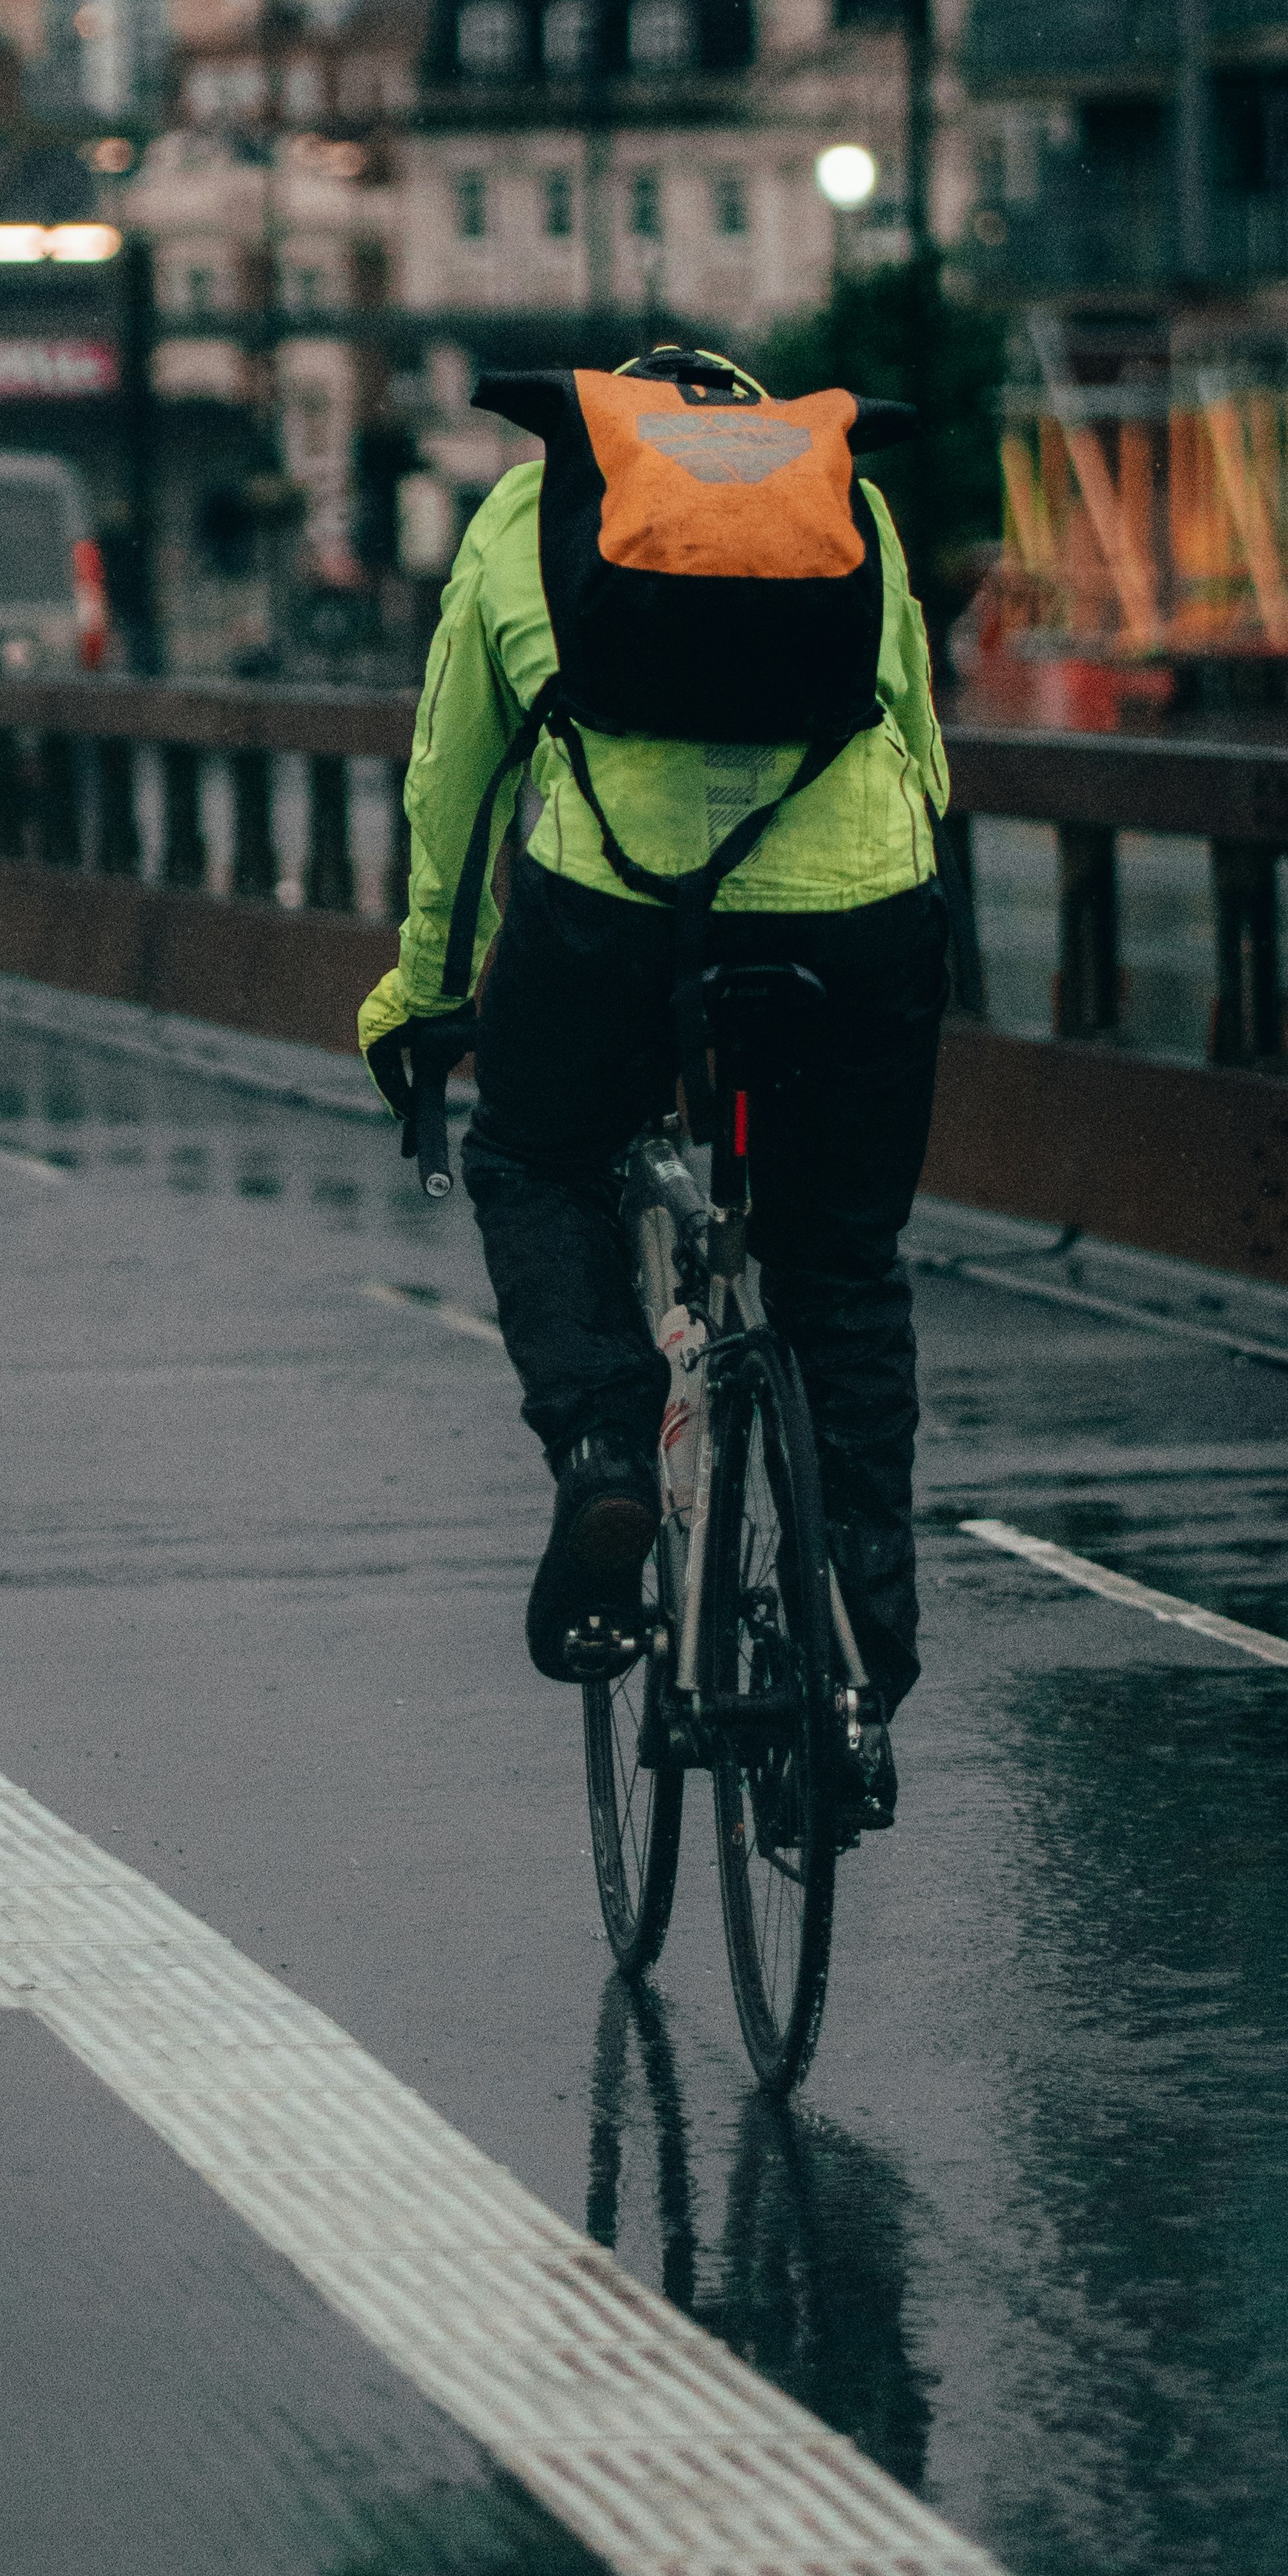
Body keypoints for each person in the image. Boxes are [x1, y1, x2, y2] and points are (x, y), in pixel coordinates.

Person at [357, 347, 954, 1821]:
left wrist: (426, 992)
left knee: (534, 1158)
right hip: (860, 908)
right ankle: (860, 1665)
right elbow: (920, 751)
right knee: (841, 1264)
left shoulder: (527, 512)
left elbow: (455, 778)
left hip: (616, 909)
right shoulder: (842, 504)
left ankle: (607, 1440)